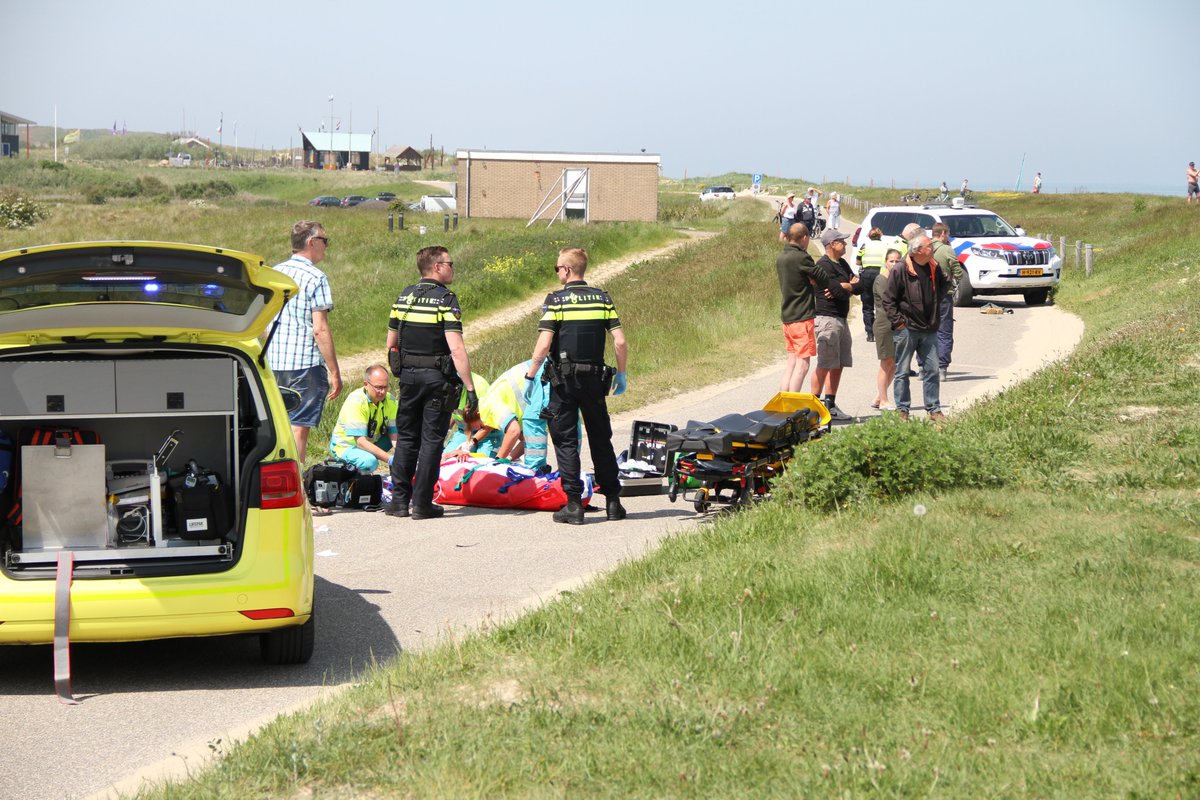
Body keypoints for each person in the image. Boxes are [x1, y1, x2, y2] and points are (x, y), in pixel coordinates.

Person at [526, 247, 627, 525]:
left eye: (557, 268)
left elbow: (544, 344)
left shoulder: (555, 301)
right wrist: (622, 373)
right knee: (600, 438)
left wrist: (530, 376)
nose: (557, 272)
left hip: (564, 383)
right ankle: (613, 502)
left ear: (567, 270)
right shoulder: (602, 298)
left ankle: (573, 504)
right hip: (595, 380)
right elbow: (619, 341)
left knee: (566, 440)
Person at [383, 246, 479, 520]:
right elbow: (457, 349)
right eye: (450, 263)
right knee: (431, 441)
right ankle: (422, 504)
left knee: (407, 439)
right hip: (437, 381)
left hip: (409, 379)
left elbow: (391, 344)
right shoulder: (446, 300)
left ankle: (399, 502)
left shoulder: (404, 296)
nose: (453, 268)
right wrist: (470, 388)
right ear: (437, 267)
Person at [265, 220, 342, 464]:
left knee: (278, 426)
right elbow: (319, 329)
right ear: (312, 243)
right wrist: (334, 371)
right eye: (324, 241)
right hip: (304, 363)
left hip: (274, 361)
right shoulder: (316, 277)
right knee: (299, 428)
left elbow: (266, 322)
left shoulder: (274, 274)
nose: (326, 247)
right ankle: (296, 484)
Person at [882, 233, 948, 422]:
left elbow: (943, 287)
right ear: (918, 250)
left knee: (932, 370)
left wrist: (934, 310)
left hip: (929, 328)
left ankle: (934, 409)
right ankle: (902, 410)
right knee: (902, 371)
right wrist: (899, 322)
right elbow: (888, 299)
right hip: (907, 329)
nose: (933, 249)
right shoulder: (901, 269)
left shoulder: (934, 266)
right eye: (929, 246)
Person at [447, 360, 551, 469]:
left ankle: (540, 472)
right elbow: (526, 441)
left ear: (478, 414)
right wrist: (507, 459)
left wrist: (497, 461)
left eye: (480, 427)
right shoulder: (497, 408)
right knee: (535, 444)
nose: (482, 429)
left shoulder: (487, 408)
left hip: (540, 376)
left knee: (538, 456)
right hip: (538, 376)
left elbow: (513, 431)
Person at [776, 222, 832, 394]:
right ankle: (793, 405)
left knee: (791, 363)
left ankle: (784, 402)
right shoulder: (802, 258)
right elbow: (823, 277)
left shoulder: (782, 257)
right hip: (802, 316)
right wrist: (812, 278)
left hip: (788, 315)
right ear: (805, 238)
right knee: (803, 365)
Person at [811, 228, 860, 421]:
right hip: (828, 319)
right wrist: (846, 287)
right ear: (832, 244)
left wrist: (848, 286)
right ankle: (813, 407)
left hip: (841, 318)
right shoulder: (822, 265)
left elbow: (860, 285)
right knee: (825, 363)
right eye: (842, 241)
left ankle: (830, 404)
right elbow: (836, 292)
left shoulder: (842, 263)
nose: (845, 244)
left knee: (839, 363)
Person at [328, 364, 398, 473]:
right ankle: (358, 480)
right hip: (347, 446)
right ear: (366, 384)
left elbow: (394, 435)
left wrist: (402, 457)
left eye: (385, 387)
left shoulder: (391, 401)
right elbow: (360, 442)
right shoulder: (356, 402)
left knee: (406, 438)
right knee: (369, 461)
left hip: (370, 442)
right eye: (379, 387)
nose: (383, 392)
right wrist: (390, 459)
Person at [870, 248, 902, 409]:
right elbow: (890, 301)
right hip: (884, 324)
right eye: (891, 261)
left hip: (897, 325)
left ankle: (879, 396)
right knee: (886, 361)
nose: (894, 264)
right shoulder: (881, 280)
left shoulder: (898, 279)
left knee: (894, 363)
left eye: (897, 261)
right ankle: (883, 400)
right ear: (885, 262)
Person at [931, 221, 963, 382]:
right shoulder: (946, 249)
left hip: (923, 296)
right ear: (943, 233)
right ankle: (942, 368)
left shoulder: (923, 247)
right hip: (943, 295)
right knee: (944, 330)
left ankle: (923, 367)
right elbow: (958, 271)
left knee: (924, 331)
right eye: (948, 234)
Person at [855, 227, 890, 341]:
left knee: (867, 304)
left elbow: (858, 261)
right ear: (880, 235)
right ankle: (882, 331)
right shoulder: (885, 246)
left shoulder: (865, 246)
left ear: (869, 236)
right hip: (880, 274)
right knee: (882, 304)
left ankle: (870, 333)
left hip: (867, 275)